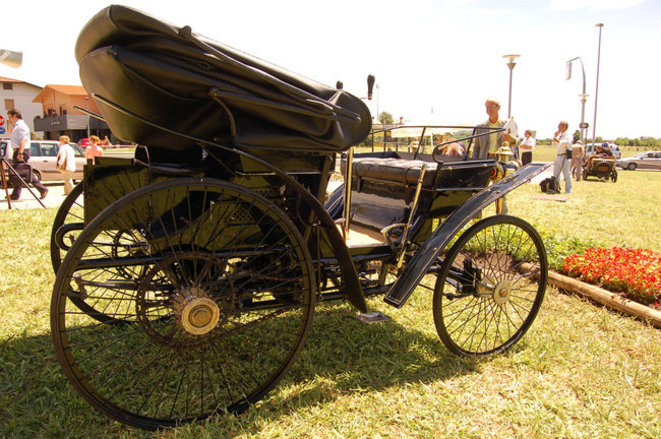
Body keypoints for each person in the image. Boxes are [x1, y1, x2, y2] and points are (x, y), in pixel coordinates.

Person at [6, 109, 48, 200]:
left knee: (23, 172)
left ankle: (42, 189)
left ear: (14, 116)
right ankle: (15, 194)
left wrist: (20, 152)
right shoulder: (16, 126)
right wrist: (9, 125)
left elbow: (23, 140)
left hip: (21, 150)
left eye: (10, 116)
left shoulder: (21, 126)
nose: (9, 119)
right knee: (19, 173)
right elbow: (11, 136)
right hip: (18, 150)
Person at [552, 120, 573, 194]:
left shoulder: (568, 134)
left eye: (560, 126)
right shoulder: (560, 135)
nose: (558, 127)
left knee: (566, 173)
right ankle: (556, 187)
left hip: (565, 155)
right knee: (556, 173)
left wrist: (558, 140)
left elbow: (568, 143)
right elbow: (554, 145)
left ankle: (568, 190)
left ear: (565, 127)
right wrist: (555, 137)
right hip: (558, 155)